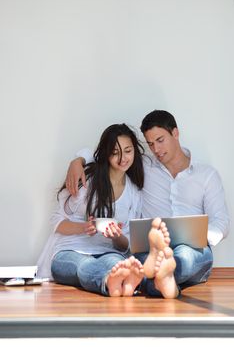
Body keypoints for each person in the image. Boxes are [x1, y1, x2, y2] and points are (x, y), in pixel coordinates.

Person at [65, 110, 230, 295]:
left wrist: (197, 236)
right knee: (143, 265)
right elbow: (106, 154)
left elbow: (221, 223)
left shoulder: (206, 175)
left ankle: (164, 274)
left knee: (184, 256)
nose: (156, 150)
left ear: (175, 133)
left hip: (191, 248)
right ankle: (165, 283)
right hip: (151, 250)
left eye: (160, 140)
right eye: (150, 144)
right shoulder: (144, 165)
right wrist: (77, 161)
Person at [37, 123, 179, 298]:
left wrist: (116, 236)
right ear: (106, 154)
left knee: (118, 264)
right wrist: (84, 227)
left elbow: (125, 244)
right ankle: (111, 281)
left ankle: (156, 281)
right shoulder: (87, 180)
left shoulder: (133, 192)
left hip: (108, 252)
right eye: (115, 153)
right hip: (69, 251)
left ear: (135, 151)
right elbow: (57, 221)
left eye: (128, 151)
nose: (122, 158)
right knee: (84, 266)